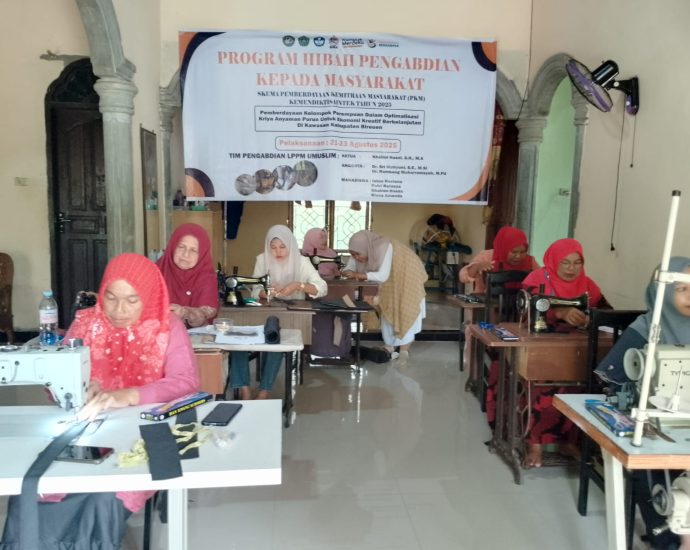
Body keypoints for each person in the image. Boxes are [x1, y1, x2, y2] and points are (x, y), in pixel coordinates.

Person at [0, 253, 200, 548]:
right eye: (110, 297)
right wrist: (82, 387)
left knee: (102, 498)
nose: (118, 310)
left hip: (145, 435)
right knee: (32, 491)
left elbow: (186, 382)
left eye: (132, 300)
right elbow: (57, 380)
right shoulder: (86, 323)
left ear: (149, 296)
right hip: (90, 430)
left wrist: (128, 394)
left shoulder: (167, 326)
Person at [594, 257, 690, 550]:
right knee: (648, 464)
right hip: (653, 420)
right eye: (682, 289)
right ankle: (665, 538)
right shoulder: (645, 330)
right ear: (661, 292)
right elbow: (613, 378)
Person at [520, 238, 610, 468]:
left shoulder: (588, 285)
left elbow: (607, 314)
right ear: (553, 261)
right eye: (565, 262)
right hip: (539, 345)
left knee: (584, 384)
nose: (572, 268)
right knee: (541, 382)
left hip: (575, 348)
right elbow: (523, 313)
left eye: (577, 263)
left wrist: (590, 319)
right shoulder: (535, 280)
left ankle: (569, 442)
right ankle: (535, 444)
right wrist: (558, 313)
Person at [230, 225, 327, 400]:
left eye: (282, 247)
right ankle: (244, 390)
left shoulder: (302, 262)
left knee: (276, 342)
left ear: (290, 245)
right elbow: (255, 289)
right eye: (273, 247)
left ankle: (264, 391)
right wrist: (264, 292)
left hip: (290, 316)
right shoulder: (262, 259)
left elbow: (322, 288)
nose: (277, 252)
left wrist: (298, 285)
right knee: (238, 343)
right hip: (262, 313)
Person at [342, 230, 427, 365]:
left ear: (366, 248)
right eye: (352, 254)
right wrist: (347, 272)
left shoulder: (384, 247)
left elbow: (382, 275)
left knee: (404, 312)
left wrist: (359, 275)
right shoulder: (362, 250)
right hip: (390, 284)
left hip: (407, 280)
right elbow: (348, 268)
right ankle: (391, 346)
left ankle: (404, 351)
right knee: (387, 312)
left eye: (358, 254)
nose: (356, 257)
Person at [156, 222, 219, 328]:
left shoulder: (206, 277)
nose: (186, 254)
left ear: (202, 254)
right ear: (172, 247)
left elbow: (207, 311)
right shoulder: (155, 272)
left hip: (193, 337)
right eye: (181, 247)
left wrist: (186, 312)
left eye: (193, 250)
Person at [459, 226, 539, 294]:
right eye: (514, 252)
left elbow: (542, 279)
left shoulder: (530, 261)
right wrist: (477, 267)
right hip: (486, 304)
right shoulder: (487, 256)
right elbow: (463, 277)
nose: (518, 256)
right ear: (504, 248)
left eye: (522, 252)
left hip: (520, 305)